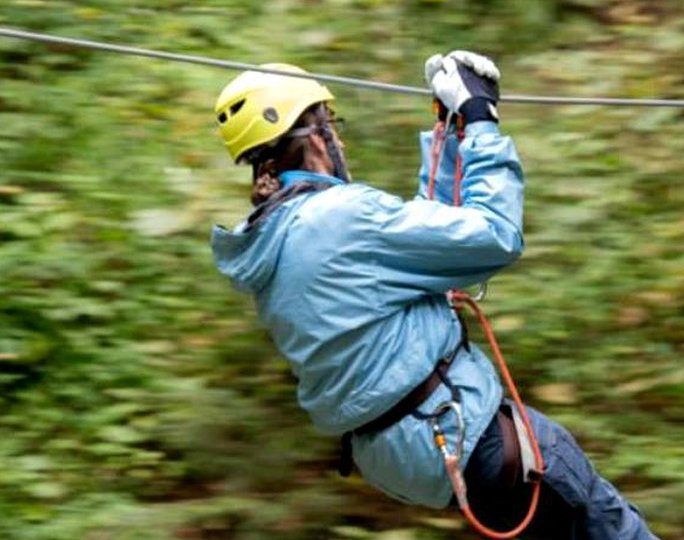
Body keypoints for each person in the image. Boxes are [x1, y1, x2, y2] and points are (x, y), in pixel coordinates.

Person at [209, 51, 658, 540]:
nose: (338, 138)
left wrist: (449, 127)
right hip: (465, 433)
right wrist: (482, 122)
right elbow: (494, 234)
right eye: (331, 124)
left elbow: (432, 242)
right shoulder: (339, 217)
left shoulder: (273, 240)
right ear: (313, 138)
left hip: (410, 460)